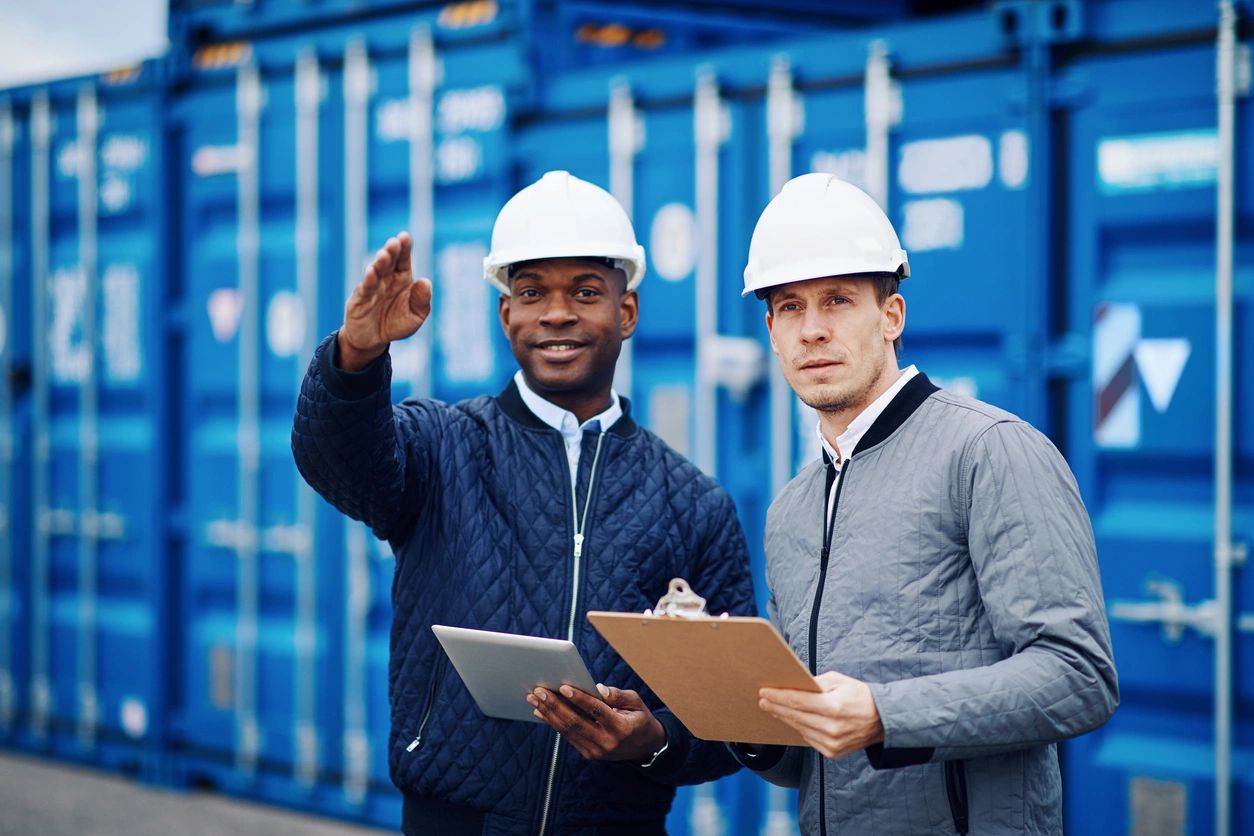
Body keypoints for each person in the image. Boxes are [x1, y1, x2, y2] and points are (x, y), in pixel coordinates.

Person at [292, 170, 756, 835]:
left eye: (586, 292)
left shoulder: (694, 504)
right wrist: (357, 356)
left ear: (626, 311)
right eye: (532, 291)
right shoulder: (440, 444)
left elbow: (733, 715)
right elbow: (336, 462)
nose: (557, 313)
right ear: (506, 313)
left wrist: (655, 740)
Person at [729, 173, 1118, 835]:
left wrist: (886, 713)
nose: (813, 330)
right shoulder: (791, 510)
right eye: (791, 307)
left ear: (891, 316)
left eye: (838, 301)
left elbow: (1079, 677)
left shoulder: (992, 451)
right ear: (769, 330)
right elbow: (819, 753)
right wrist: (750, 726)